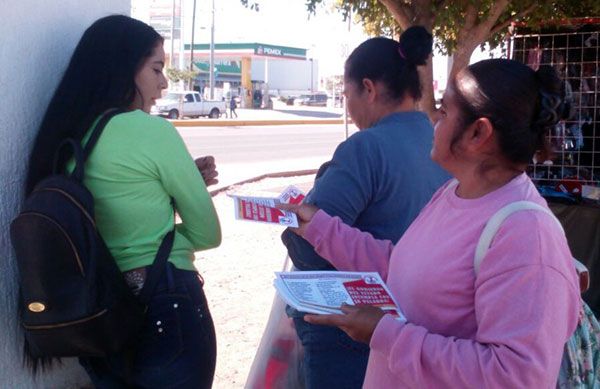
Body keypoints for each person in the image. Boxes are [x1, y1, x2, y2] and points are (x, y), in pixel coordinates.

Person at [282, 59, 581, 388]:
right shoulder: (453, 192)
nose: (433, 119)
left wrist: (387, 335)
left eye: (445, 110)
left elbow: (517, 377)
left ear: (478, 132)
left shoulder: (526, 234)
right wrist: (319, 227)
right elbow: (404, 266)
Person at [25, 15, 221, 388]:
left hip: (102, 320)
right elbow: (208, 233)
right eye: (157, 68)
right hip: (169, 307)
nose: (164, 83)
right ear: (124, 68)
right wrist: (172, 216)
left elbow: (111, 208)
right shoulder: (151, 132)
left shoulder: (66, 137)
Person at [280, 27, 450, 388]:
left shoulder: (365, 148)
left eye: (347, 94)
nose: (348, 105)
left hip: (352, 330)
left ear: (369, 89)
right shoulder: (442, 145)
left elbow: (309, 245)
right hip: (421, 327)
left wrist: (292, 219)